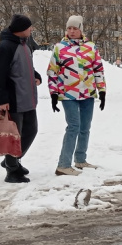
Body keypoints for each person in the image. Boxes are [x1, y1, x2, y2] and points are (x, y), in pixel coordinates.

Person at [47, 15, 106, 176]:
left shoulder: (91, 47)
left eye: (75, 28)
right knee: (74, 126)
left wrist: (102, 91)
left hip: (87, 93)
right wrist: (53, 93)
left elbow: (98, 70)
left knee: (85, 128)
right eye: (69, 28)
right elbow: (53, 72)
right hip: (68, 94)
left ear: (81, 29)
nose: (72, 31)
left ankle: (80, 159)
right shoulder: (60, 48)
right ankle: (63, 165)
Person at [0, 14, 42, 183]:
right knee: (14, 136)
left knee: (31, 131)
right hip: (14, 99)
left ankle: (10, 161)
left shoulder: (25, 44)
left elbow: (27, 66)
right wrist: (1, 99)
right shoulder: (5, 47)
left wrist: (36, 75)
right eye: (29, 27)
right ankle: (12, 171)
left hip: (28, 98)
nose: (31, 29)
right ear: (20, 30)